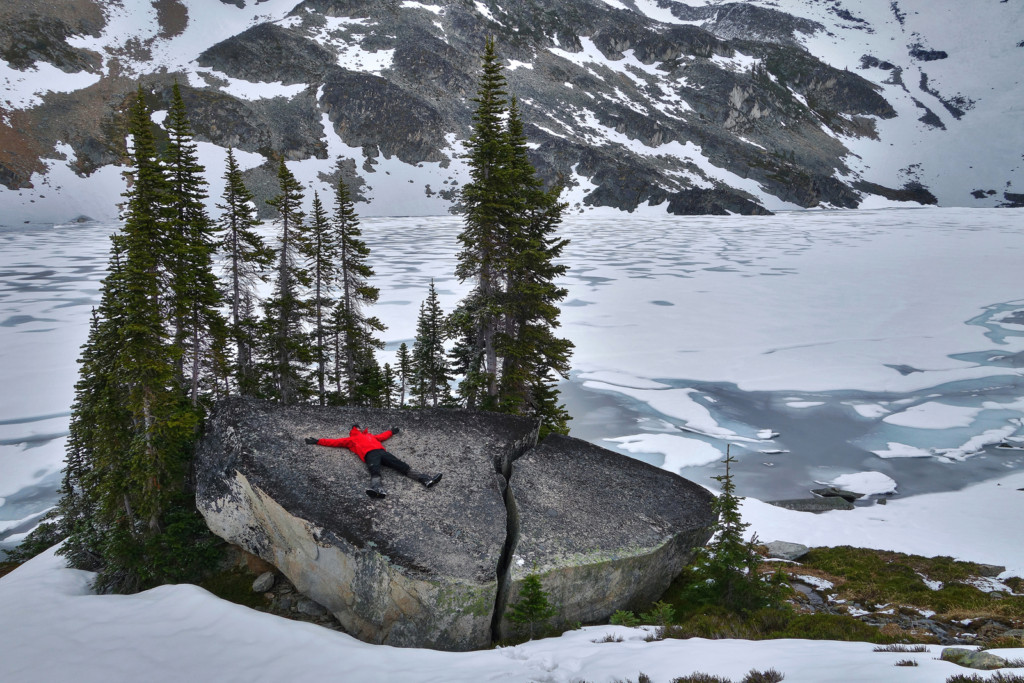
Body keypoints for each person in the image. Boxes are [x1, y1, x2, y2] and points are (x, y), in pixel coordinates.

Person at [305, 424, 442, 498]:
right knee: (374, 470)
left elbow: (382, 436)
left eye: (358, 427)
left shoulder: (370, 436)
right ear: (354, 430)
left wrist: (391, 432)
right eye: (356, 427)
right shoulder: (351, 439)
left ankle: (426, 479)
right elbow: (334, 442)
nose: (358, 428)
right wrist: (318, 441)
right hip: (369, 454)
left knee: (402, 466)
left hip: (382, 452)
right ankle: (377, 489)